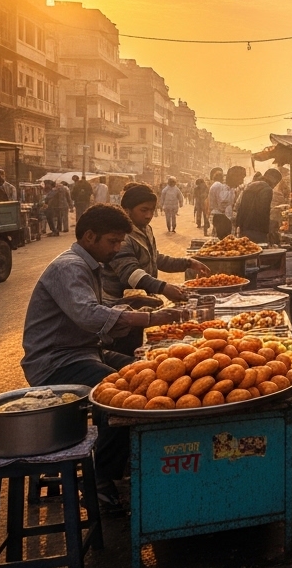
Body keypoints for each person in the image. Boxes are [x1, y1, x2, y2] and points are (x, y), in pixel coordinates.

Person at [21, 204, 187, 507]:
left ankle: (129, 452)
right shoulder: (69, 266)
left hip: (85, 350)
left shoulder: (88, 265)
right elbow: (87, 314)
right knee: (121, 395)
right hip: (56, 362)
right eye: (112, 241)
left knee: (146, 370)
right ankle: (100, 477)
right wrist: (152, 319)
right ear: (89, 236)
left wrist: (132, 305)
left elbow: (97, 309)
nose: (118, 247)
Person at [235, 168, 280, 243]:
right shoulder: (267, 189)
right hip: (258, 230)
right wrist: (269, 227)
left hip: (244, 228)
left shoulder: (250, 186)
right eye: (276, 182)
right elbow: (263, 211)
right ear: (274, 180)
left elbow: (239, 207)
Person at [208, 168, 234, 239]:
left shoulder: (213, 185)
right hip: (221, 215)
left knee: (218, 237)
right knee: (224, 239)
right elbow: (222, 201)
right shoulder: (219, 186)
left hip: (216, 214)